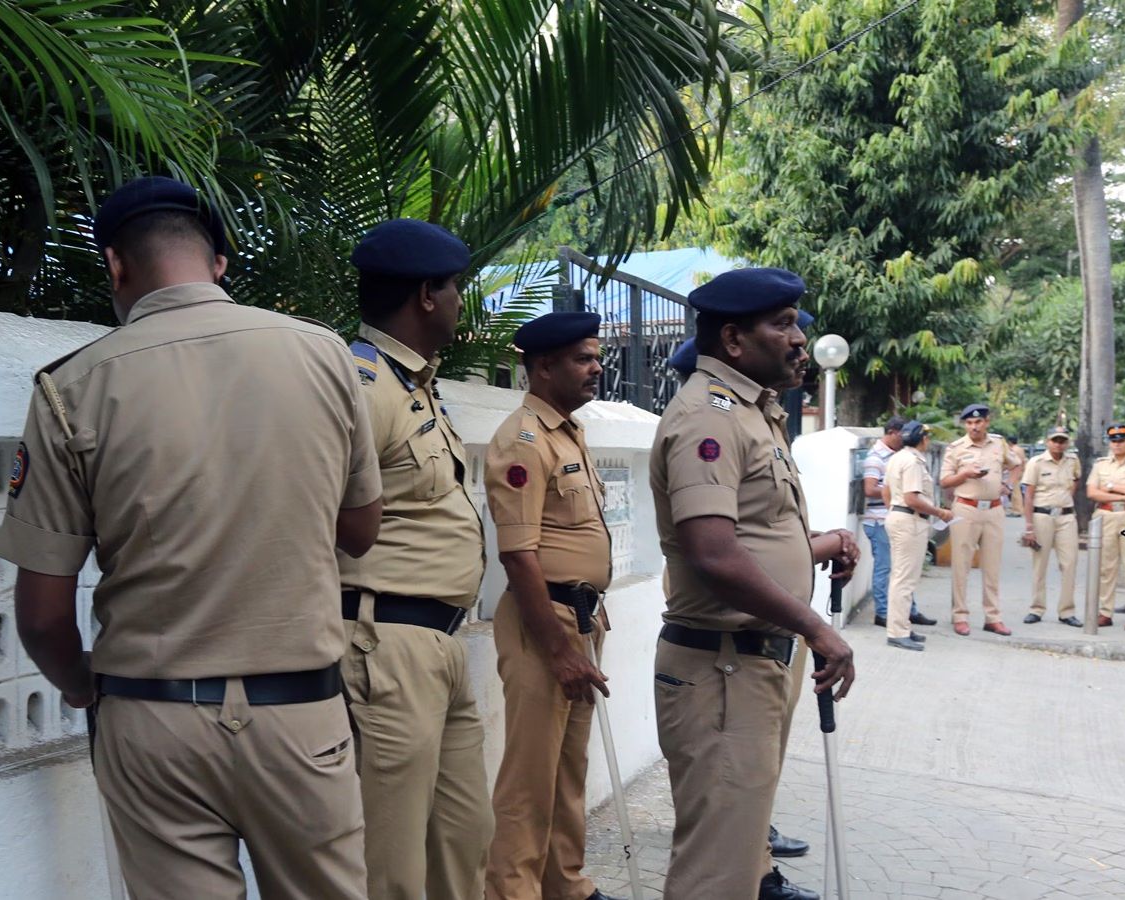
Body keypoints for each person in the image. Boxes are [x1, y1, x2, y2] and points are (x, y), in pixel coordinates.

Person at [0, 175, 382, 899]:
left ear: (115, 265)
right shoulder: (325, 355)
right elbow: (361, 530)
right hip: (301, 714)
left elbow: (43, 617)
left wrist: (82, 685)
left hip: (152, 717)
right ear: (219, 263)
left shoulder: (71, 386)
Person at [650, 267, 857, 900]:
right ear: (734, 340)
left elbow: (759, 533)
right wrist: (817, 627)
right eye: (783, 323)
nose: (799, 338)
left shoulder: (752, 413)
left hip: (747, 665)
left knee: (738, 862)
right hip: (722, 671)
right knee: (715, 873)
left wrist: (817, 551)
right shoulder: (710, 418)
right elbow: (714, 555)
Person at [338, 219, 492, 900]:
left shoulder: (415, 384)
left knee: (464, 840)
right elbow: (313, 514)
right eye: (455, 287)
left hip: (441, 643)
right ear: (427, 295)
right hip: (385, 645)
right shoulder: (361, 384)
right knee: (391, 864)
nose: (460, 301)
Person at [483, 311, 621, 900]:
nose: (597, 368)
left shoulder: (569, 432)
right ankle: (511, 892)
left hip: (582, 619)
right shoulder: (524, 440)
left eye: (597, 357)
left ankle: (565, 885)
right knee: (530, 780)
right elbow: (519, 556)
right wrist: (559, 649)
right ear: (543, 366)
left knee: (568, 769)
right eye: (583, 359)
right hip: (546, 625)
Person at [939, 403, 1012, 636]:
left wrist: (1008, 485)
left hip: (994, 510)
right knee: (961, 565)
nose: (974, 427)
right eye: (969, 423)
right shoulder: (956, 448)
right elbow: (944, 481)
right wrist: (965, 474)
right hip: (966, 509)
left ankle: (993, 617)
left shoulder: (998, 444)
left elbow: (1016, 464)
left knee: (992, 567)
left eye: (978, 422)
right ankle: (960, 615)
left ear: (987, 422)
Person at [883, 421, 954, 651]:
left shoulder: (897, 457)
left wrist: (895, 510)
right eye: (927, 437)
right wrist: (939, 512)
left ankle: (901, 626)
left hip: (900, 517)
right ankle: (897, 631)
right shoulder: (913, 462)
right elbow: (912, 498)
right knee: (904, 579)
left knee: (902, 577)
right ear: (922, 439)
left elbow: (886, 491)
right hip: (910, 521)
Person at [863, 416, 935, 628]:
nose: (905, 439)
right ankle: (883, 613)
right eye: (902, 435)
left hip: (890, 515)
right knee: (885, 569)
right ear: (892, 432)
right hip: (878, 519)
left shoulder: (898, 456)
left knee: (903, 570)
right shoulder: (876, 457)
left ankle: (908, 611)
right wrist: (898, 496)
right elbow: (870, 489)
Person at [1020, 427, 1082, 627]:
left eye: (1062, 441)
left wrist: (1065, 500)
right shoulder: (1036, 463)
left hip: (1066, 517)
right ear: (1047, 442)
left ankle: (1067, 611)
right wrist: (1029, 527)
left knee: (1069, 564)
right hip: (1042, 517)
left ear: (1067, 443)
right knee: (1040, 564)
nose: (1058, 444)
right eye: (1055, 440)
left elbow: (1075, 481)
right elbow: (1028, 496)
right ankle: (1036, 609)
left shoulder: (1072, 461)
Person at [1085, 423, 1125, 629]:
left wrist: (1112, 486)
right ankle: (1105, 612)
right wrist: (1123, 495)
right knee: (1106, 567)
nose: (1117, 444)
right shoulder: (1101, 465)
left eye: (1121, 440)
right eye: (1113, 441)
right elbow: (1092, 492)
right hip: (1105, 516)